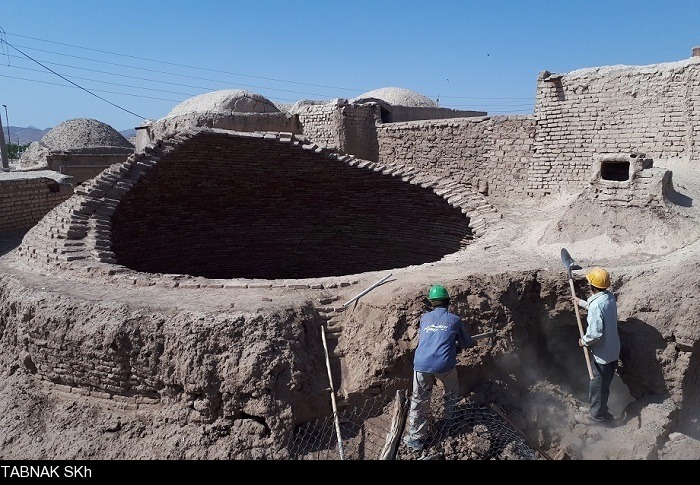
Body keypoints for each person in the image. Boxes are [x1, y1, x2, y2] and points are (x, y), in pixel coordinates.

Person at [403, 284, 475, 451]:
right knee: (451, 390)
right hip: (444, 365)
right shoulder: (455, 320)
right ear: (448, 302)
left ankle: (415, 439)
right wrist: (461, 343)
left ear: (431, 303)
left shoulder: (424, 319)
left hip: (421, 365)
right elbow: (466, 343)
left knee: (419, 400)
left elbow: (430, 339)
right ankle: (448, 420)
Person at [574, 267, 621, 426]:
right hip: (613, 350)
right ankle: (600, 409)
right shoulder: (609, 298)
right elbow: (599, 308)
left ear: (591, 285)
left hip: (603, 356)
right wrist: (580, 303)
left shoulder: (596, 305)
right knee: (604, 385)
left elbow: (595, 333)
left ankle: (595, 417)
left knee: (597, 386)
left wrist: (584, 341)